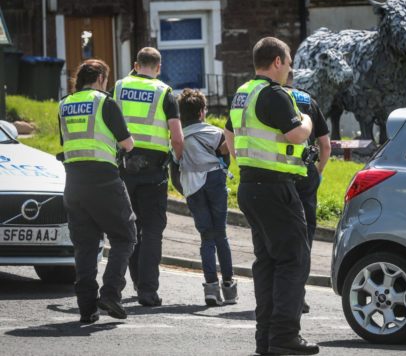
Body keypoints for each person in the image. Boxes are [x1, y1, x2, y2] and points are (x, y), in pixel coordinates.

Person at [224, 37, 319, 356]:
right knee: (294, 260)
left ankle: (266, 338)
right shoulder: (274, 93)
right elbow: (296, 133)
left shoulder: (242, 93)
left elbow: (229, 134)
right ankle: (284, 337)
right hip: (276, 188)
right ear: (277, 61)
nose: (290, 66)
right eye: (288, 60)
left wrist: (245, 159)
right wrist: (307, 120)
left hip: (251, 186)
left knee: (266, 262)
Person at [58, 59, 137, 323]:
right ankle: (111, 293)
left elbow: (66, 142)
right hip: (103, 181)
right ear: (101, 78)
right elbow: (126, 143)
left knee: (85, 247)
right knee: (125, 236)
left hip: (73, 183)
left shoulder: (64, 104)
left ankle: (86, 308)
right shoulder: (105, 102)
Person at [112, 47, 184, 307]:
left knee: (130, 228)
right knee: (152, 230)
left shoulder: (119, 87)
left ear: (135, 64)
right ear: (159, 67)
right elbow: (177, 138)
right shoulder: (165, 92)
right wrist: (179, 160)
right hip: (153, 171)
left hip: (124, 166)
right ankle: (148, 291)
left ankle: (136, 281)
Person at [175, 88, 237, 306]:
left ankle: (211, 288)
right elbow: (226, 161)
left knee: (206, 237)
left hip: (193, 187)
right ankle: (229, 288)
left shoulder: (178, 138)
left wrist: (185, 190)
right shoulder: (216, 133)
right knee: (221, 234)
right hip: (214, 182)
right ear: (202, 111)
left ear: (181, 113)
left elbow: (175, 170)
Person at [284, 72, 331, 315]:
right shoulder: (308, 100)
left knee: (280, 237)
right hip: (305, 172)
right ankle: (298, 296)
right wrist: (318, 173)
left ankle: (279, 295)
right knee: (305, 238)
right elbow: (325, 146)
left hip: (277, 174)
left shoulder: (270, 97)